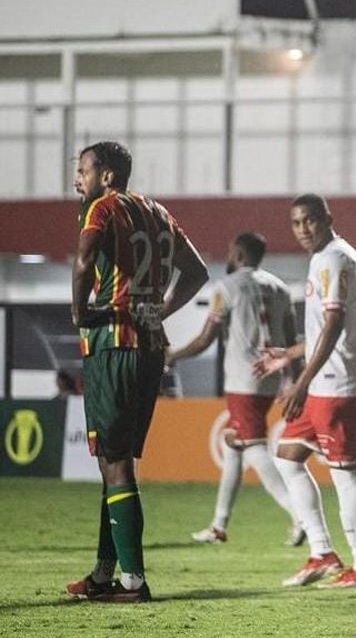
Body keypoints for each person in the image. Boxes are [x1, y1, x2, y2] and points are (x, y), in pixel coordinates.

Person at [65, 141, 209, 602]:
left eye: (83, 171)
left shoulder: (102, 209)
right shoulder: (157, 211)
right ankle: (104, 573)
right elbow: (198, 271)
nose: (77, 180)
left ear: (107, 176)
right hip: (149, 347)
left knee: (115, 461)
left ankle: (133, 581)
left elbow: (85, 261)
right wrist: (158, 311)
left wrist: (77, 311)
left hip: (113, 344)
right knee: (115, 460)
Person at [254, 194, 356, 589]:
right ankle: (322, 553)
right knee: (288, 457)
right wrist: (288, 355)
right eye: (296, 223)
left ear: (327, 218)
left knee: (345, 474)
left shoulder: (335, 258)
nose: (303, 229)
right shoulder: (324, 258)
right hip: (325, 383)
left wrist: (300, 383)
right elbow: (322, 332)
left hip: (338, 384)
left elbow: (334, 325)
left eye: (310, 220)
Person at [165, 232, 305, 547]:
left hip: (243, 378)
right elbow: (291, 338)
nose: (227, 255)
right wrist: (292, 379)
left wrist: (173, 355)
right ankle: (218, 525)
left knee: (254, 447)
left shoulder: (225, 288)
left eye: (230, 250)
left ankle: (301, 516)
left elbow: (205, 339)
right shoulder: (281, 288)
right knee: (233, 444)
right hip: (270, 376)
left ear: (239, 253)